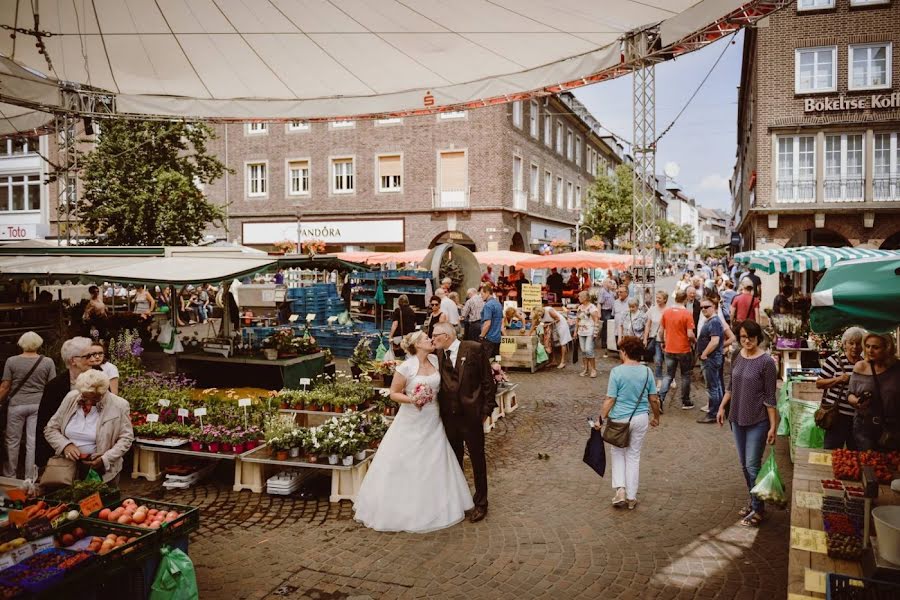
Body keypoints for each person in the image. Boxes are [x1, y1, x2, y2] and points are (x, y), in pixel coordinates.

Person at [353, 330, 474, 532]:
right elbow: (393, 394)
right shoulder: (406, 367)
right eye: (426, 338)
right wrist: (414, 399)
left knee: (436, 459)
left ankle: (440, 504)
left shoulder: (436, 360)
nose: (431, 339)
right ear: (417, 344)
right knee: (405, 461)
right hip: (411, 418)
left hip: (434, 419)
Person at [716, 320, 778, 527]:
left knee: (752, 466)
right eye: (743, 337)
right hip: (737, 418)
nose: (747, 340)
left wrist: (773, 426)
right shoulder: (736, 355)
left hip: (757, 420)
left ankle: (759, 509)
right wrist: (721, 407)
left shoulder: (767, 362)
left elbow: (770, 397)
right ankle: (754, 501)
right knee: (744, 465)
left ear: (758, 337)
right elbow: (731, 386)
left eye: (750, 337)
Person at [432, 322, 495, 523]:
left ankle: (481, 502)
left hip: (471, 415)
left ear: (447, 336)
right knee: (454, 459)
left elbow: (488, 381)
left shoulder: (474, 349)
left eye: (435, 335)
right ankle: (458, 500)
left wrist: (486, 410)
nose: (433, 339)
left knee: (477, 459)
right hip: (449, 417)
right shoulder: (439, 355)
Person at [597, 336, 660, 510]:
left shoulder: (617, 372)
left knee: (617, 453)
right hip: (640, 418)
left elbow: (610, 399)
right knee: (633, 456)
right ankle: (632, 497)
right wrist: (656, 418)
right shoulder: (647, 372)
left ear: (624, 352)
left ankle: (620, 491)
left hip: (619, 419)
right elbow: (654, 399)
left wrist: (600, 420)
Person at [44, 370, 134, 484]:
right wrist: (65, 445)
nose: (89, 402)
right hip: (66, 468)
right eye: (85, 397)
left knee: (99, 501)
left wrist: (105, 459)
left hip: (101, 470)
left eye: (95, 398)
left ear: (103, 393)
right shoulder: (71, 397)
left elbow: (126, 438)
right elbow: (50, 429)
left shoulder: (119, 405)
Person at [0, 332, 56, 478]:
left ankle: (10, 475)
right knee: (33, 441)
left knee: (12, 441)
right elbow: (52, 385)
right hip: (38, 404)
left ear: (21, 343)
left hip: (16, 405)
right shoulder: (47, 362)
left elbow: (5, 386)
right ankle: (30, 477)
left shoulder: (11, 361)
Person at [35, 337, 94, 470]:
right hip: (64, 458)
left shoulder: (100, 380)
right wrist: (63, 446)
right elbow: (44, 424)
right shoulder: (55, 387)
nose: (93, 359)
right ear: (73, 360)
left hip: (95, 456)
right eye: (88, 356)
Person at [848, 332, 900, 451]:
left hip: (892, 428)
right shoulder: (860, 366)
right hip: (864, 428)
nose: (870, 350)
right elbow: (850, 394)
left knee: (890, 465)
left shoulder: (897, 368)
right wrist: (856, 401)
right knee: (868, 464)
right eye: (867, 346)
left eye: (876, 347)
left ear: (887, 348)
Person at [817, 328, 865, 450]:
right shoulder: (834, 360)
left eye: (859, 343)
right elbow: (819, 383)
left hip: (857, 418)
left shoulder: (865, 364)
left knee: (855, 454)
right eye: (851, 343)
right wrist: (838, 379)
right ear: (844, 344)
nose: (855, 347)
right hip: (837, 417)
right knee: (831, 451)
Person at [658, 291, 697, 411]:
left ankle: (660, 398)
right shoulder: (687, 313)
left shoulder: (667, 312)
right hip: (684, 349)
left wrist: (662, 342)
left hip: (669, 348)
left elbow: (660, 331)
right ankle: (685, 401)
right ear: (685, 300)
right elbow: (690, 334)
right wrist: (694, 341)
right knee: (685, 375)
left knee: (669, 375)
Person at [696, 299, 726, 424]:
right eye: (701, 307)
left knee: (712, 387)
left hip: (711, 358)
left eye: (706, 307)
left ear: (713, 307)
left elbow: (715, 341)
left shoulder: (714, 322)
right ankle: (718, 411)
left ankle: (713, 413)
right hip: (712, 358)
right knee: (716, 385)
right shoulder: (711, 321)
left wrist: (704, 353)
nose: (703, 309)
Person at [643, 291, 667, 383]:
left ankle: (671, 377)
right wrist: (645, 338)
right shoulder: (652, 310)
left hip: (667, 339)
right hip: (656, 339)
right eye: (656, 297)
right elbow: (648, 325)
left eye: (659, 298)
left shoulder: (668, 310)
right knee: (658, 360)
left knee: (669, 360)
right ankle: (659, 379)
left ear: (665, 299)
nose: (657, 300)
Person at [575, 291, 600, 378]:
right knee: (583, 350)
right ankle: (586, 369)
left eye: (580, 296)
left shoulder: (592, 307)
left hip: (590, 331)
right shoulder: (580, 307)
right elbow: (577, 320)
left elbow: (596, 320)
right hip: (581, 332)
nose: (578, 298)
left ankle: (593, 369)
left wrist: (595, 332)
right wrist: (575, 331)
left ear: (585, 298)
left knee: (589, 350)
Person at [479, 285, 504, 360]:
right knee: (497, 359)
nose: (481, 296)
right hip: (497, 337)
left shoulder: (488, 305)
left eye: (482, 294)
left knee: (485, 361)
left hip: (489, 338)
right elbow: (502, 320)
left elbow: (487, 323)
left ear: (487, 293)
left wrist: (481, 336)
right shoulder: (498, 304)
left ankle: (488, 372)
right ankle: (498, 371)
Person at [544, 303, 571, 369]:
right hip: (553, 326)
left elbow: (558, 319)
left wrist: (549, 324)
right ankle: (554, 361)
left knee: (563, 343)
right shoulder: (538, 315)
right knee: (552, 343)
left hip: (561, 325)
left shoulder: (549, 310)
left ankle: (563, 362)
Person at [597, 279, 615, 358]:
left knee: (610, 328)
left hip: (611, 311)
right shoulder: (602, 291)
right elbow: (599, 303)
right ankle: (604, 344)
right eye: (610, 282)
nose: (611, 283)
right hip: (605, 311)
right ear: (605, 283)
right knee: (605, 328)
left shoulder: (611, 292)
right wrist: (599, 313)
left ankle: (609, 343)